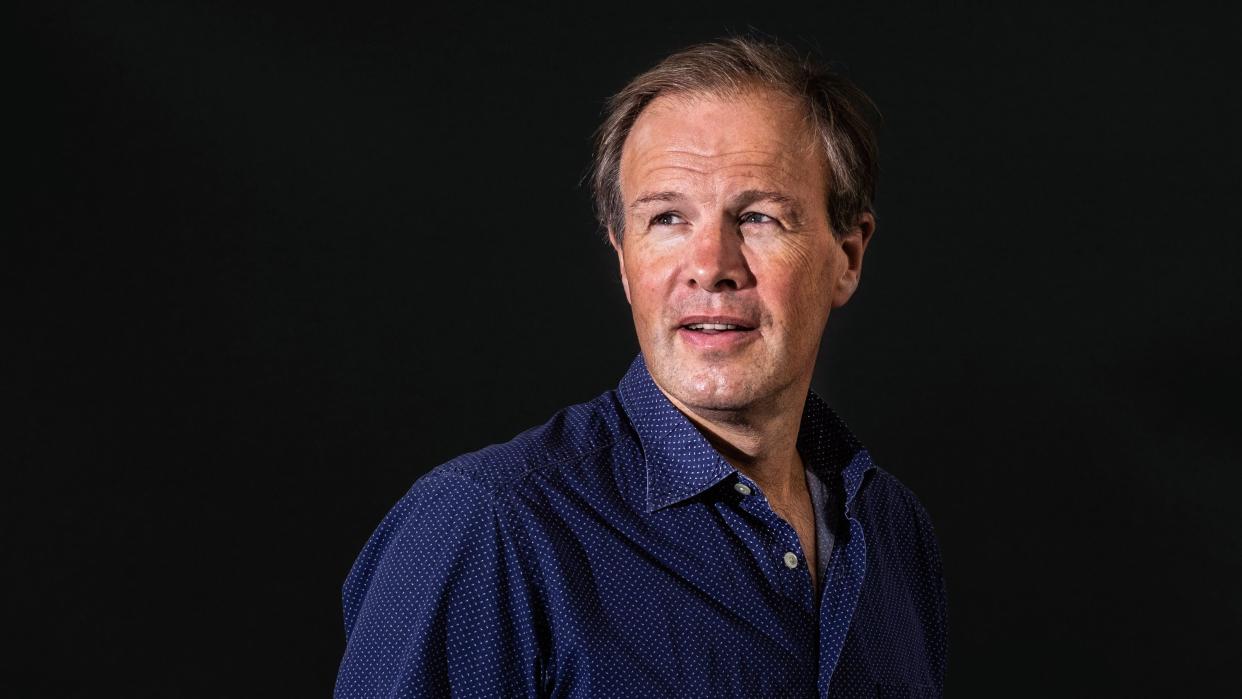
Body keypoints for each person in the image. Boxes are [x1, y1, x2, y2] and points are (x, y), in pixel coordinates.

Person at [335, 36, 946, 698]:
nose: (711, 265)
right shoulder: (487, 527)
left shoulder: (891, 529)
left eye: (761, 217)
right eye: (667, 219)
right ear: (625, 260)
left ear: (848, 257)